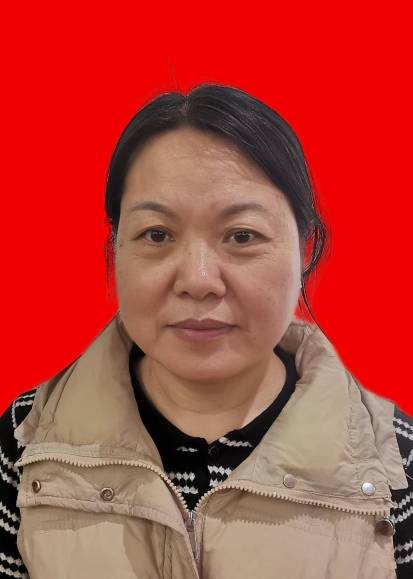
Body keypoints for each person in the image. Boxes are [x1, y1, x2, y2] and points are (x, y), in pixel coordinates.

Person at [0, 83, 412, 579]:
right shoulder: (27, 438)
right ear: (116, 246)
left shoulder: (393, 460)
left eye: (242, 236)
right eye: (157, 234)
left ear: (305, 249)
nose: (197, 280)